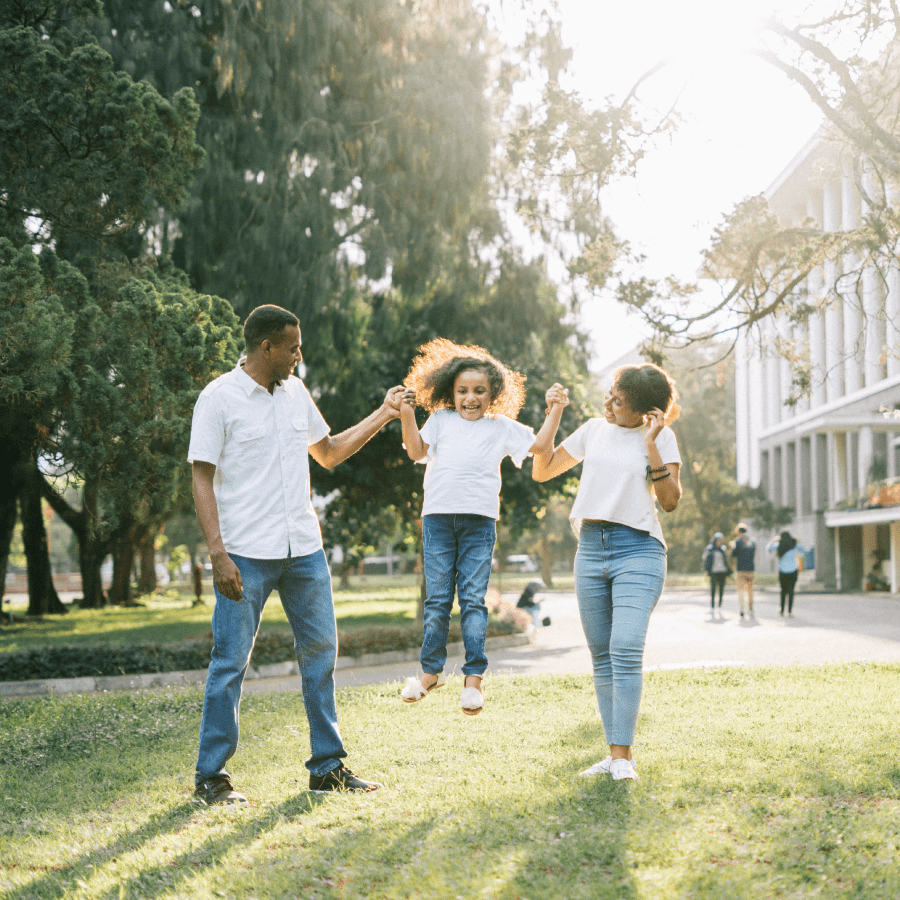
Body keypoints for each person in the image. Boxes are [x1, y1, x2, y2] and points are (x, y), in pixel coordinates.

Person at [188, 304, 405, 805]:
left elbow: (327, 452)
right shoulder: (218, 398)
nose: (299, 355)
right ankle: (211, 776)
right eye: (292, 347)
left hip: (304, 550)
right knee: (230, 663)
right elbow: (201, 476)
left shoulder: (296, 393)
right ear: (266, 347)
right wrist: (217, 554)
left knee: (321, 654)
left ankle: (327, 768)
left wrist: (384, 413)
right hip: (245, 553)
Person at [397, 338, 568, 715]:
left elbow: (540, 446)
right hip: (438, 520)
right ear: (450, 392)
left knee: (473, 600)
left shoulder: (501, 427)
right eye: (462, 391)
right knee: (438, 600)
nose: (470, 398)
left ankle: (473, 679)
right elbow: (415, 451)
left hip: (478, 523)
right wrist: (407, 414)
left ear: (494, 395)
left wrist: (554, 410)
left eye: (479, 391)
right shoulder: (440, 420)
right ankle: (430, 673)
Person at [532, 363, 682, 782]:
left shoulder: (662, 436)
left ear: (648, 412)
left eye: (621, 401)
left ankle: (623, 759)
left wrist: (651, 444)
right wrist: (555, 412)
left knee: (626, 646)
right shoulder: (594, 429)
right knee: (602, 656)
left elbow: (670, 501)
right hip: (591, 549)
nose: (610, 404)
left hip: (639, 549)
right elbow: (541, 470)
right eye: (612, 394)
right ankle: (615, 756)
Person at [767, 530, 808, 617]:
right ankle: (790, 611)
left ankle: (782, 610)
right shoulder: (794, 544)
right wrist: (798, 541)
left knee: (783, 591)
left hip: (782, 571)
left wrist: (774, 540)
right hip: (793, 571)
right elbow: (804, 550)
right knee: (791, 591)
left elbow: (769, 549)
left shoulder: (779, 544)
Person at [731, 523, 756, 617]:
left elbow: (734, 554)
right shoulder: (752, 541)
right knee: (750, 591)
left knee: (741, 590)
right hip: (751, 569)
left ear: (739, 532)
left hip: (741, 569)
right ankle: (751, 608)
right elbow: (753, 554)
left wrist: (732, 546)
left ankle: (742, 608)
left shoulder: (737, 542)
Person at [702, 532, 730, 613]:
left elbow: (726, 561)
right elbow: (705, 559)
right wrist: (706, 570)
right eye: (717, 540)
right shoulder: (709, 549)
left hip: (722, 572)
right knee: (713, 590)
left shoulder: (723, 549)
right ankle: (712, 607)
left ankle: (720, 607)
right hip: (713, 572)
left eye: (720, 540)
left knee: (721, 590)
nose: (719, 542)